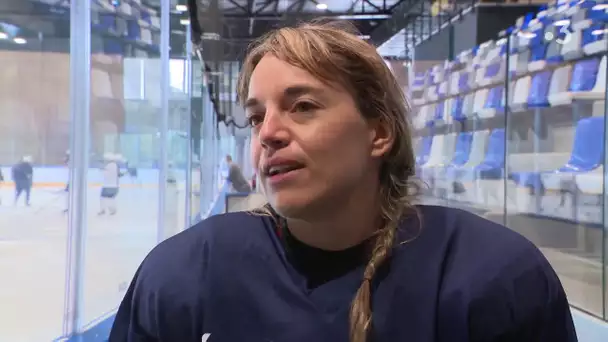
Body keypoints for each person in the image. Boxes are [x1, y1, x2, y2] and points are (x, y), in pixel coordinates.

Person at [109, 21, 577, 342]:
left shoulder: (495, 278)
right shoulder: (182, 275)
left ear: (379, 132)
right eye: (255, 117)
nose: (268, 133)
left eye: (303, 106)